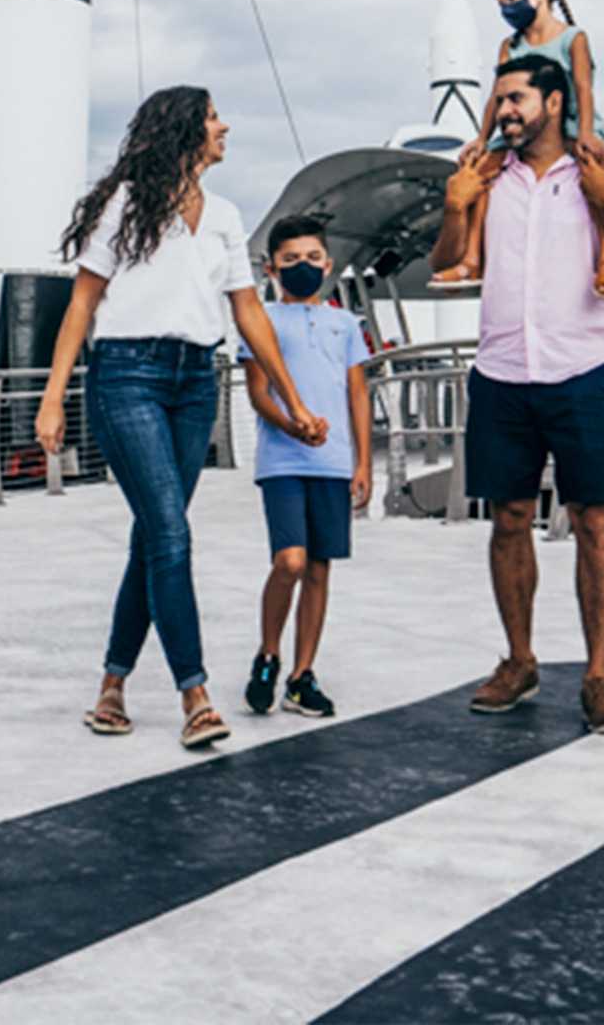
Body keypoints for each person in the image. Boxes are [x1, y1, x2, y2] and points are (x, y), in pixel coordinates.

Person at [38, 87, 320, 752]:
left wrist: (295, 403)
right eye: (214, 116)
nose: (225, 125)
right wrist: (53, 397)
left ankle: (112, 685)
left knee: (154, 536)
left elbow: (248, 315)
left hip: (197, 381)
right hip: (125, 377)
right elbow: (81, 306)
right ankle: (195, 695)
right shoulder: (122, 206)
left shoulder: (224, 215)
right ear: (185, 129)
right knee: (171, 532)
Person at [428, 52, 604, 735]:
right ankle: (520, 660)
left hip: (584, 371)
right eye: (499, 100)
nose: (503, 110)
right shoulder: (484, 177)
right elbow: (446, 262)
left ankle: (598, 677)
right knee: (507, 521)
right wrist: (454, 206)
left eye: (515, 99)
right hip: (502, 371)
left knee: (594, 521)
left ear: (554, 102)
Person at [238, 214, 375, 719]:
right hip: (282, 459)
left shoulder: (345, 324)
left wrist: (362, 462)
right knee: (289, 561)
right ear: (273, 268)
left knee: (319, 569)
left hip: (334, 463)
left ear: (329, 264)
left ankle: (302, 677)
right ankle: (268, 654)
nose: (303, 268)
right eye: (291, 260)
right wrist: (294, 426)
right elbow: (257, 392)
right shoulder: (262, 319)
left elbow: (357, 393)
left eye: (313, 259)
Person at [433, 0, 604, 297]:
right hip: (525, 127)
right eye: (500, 3)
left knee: (597, 175)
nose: (506, 10)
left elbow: (583, 87)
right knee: (481, 172)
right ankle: (471, 259)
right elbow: (497, 95)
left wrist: (584, 132)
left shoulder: (572, 38)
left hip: (571, 120)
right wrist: (482, 138)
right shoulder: (510, 46)